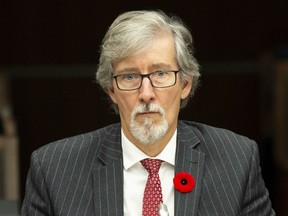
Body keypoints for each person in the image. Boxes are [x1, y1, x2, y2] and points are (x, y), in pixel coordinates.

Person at [21, 10, 275, 216]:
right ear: (111, 89)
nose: (146, 93)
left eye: (160, 74)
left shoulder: (237, 160)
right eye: (130, 76)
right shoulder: (54, 169)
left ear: (185, 84)